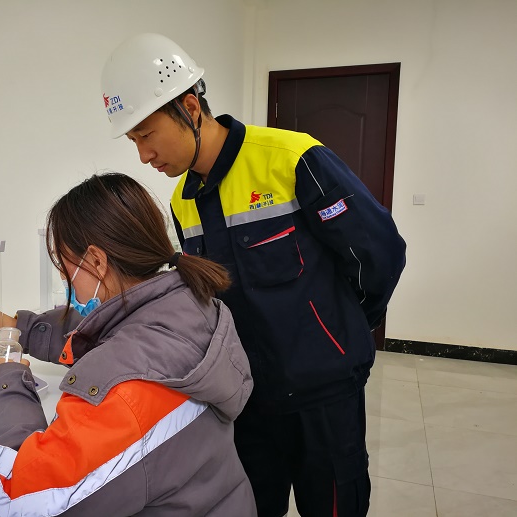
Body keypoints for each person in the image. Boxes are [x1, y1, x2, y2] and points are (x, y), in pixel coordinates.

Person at [100, 33, 407, 517]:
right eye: (134, 141)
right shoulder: (183, 201)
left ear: (189, 108)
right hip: (247, 401)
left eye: (146, 135)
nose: (143, 155)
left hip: (323, 394)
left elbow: (379, 251)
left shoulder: (291, 158)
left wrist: (344, 329)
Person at [0, 172, 257, 516]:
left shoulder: (125, 392)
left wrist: (1, 384)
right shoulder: (190, 308)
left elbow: (17, 499)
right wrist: (18, 328)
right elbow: (111, 331)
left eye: (64, 265)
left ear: (97, 261)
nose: (63, 277)